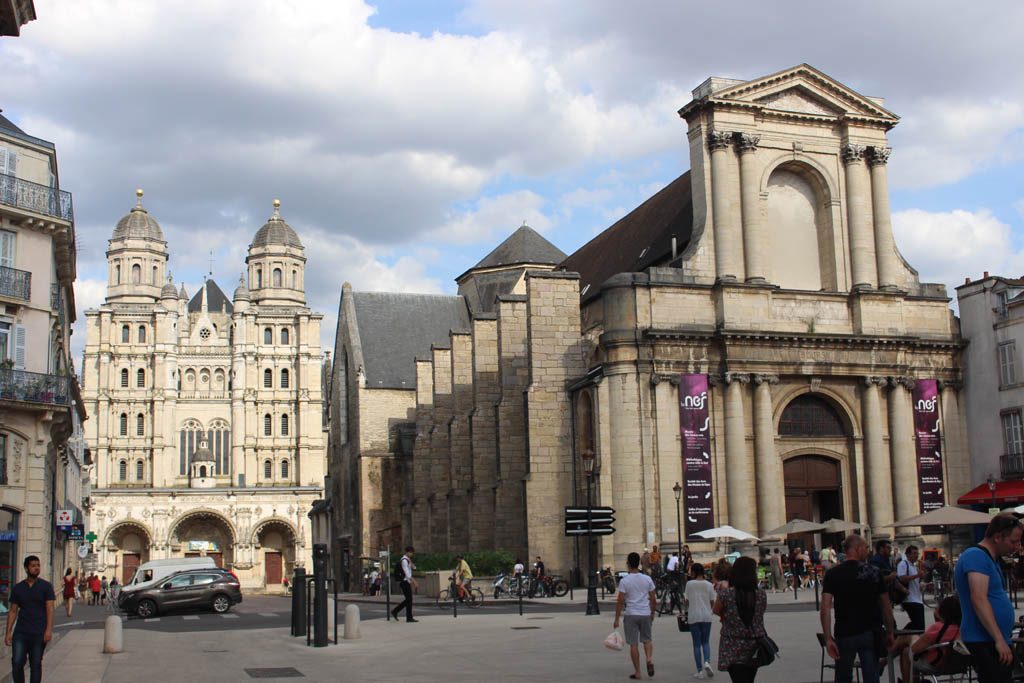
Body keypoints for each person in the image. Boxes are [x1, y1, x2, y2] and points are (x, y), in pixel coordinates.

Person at [955, 512, 1023, 683]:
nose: (1017, 546)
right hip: (984, 639)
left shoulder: (990, 559)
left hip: (992, 639)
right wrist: (999, 639)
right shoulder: (975, 555)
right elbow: (979, 598)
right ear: (998, 537)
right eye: (1013, 541)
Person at [820, 534, 897, 683]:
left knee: (843, 677)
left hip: (844, 632)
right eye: (866, 548)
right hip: (870, 631)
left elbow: (825, 608)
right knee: (871, 676)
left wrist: (828, 638)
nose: (868, 551)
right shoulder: (874, 572)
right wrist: (890, 632)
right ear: (857, 549)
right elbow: (886, 606)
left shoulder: (832, 574)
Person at [714, 556, 767, 682]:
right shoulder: (760, 594)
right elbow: (761, 612)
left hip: (732, 644)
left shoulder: (726, 594)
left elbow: (716, 610)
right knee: (749, 678)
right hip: (754, 643)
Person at [4, 555, 55, 683]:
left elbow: (50, 609)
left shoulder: (46, 586)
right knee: (17, 663)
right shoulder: (18, 588)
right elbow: (13, 611)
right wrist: (8, 632)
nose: (36, 568)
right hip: (21, 632)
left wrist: (48, 630)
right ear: (26, 568)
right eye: (33, 566)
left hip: (39, 632)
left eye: (38, 565)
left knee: (36, 664)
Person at [612, 551, 656, 680]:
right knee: (647, 640)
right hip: (645, 612)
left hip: (631, 614)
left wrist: (616, 619)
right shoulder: (647, 579)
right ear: (639, 563)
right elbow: (653, 598)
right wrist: (652, 612)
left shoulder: (625, 581)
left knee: (633, 644)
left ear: (628, 564)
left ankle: (637, 672)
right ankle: (649, 659)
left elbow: (620, 601)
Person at [684, 562, 717, 679]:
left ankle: (699, 671)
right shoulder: (709, 585)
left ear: (694, 572)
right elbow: (713, 601)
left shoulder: (689, 584)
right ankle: (707, 662)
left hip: (694, 616)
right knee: (706, 642)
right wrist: (709, 609)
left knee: (696, 644)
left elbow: (686, 601)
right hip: (706, 616)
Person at [896, 545, 925, 630]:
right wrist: (917, 575)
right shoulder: (903, 564)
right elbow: (902, 578)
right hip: (909, 599)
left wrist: (921, 585)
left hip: (917, 599)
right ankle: (899, 636)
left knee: (918, 625)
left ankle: (901, 636)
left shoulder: (914, 566)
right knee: (918, 625)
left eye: (917, 553)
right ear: (907, 555)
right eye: (914, 553)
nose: (916, 555)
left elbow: (915, 583)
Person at [391, 546, 418, 623]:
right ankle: (407, 617)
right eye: (411, 552)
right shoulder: (403, 561)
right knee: (409, 600)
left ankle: (397, 612)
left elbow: (414, 568)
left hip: (407, 582)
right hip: (404, 582)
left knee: (408, 600)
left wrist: (411, 561)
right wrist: (414, 581)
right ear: (407, 552)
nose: (412, 554)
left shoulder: (407, 560)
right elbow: (407, 574)